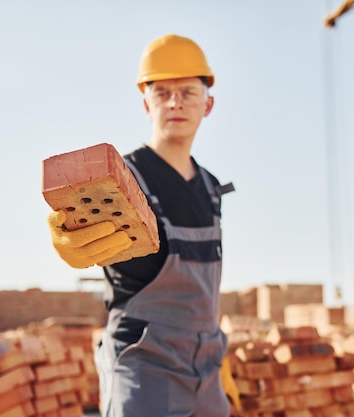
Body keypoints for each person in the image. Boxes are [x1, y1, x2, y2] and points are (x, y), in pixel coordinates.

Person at [47, 34, 236, 417]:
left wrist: (219, 360)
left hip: (207, 371)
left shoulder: (211, 188)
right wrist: (65, 233)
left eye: (187, 92)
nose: (175, 102)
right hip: (144, 367)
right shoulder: (124, 177)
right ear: (145, 103)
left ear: (209, 104)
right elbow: (79, 204)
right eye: (162, 91)